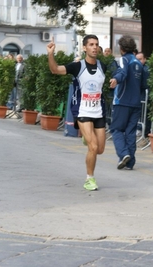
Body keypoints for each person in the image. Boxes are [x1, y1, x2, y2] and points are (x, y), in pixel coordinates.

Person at [47, 35, 108, 191]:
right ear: (85, 48)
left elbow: (119, 73)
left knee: (100, 149)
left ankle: (87, 140)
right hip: (82, 111)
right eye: (91, 44)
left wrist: (117, 79)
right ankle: (90, 179)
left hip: (98, 111)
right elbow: (55, 70)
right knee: (93, 147)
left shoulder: (103, 66)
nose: (95, 47)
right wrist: (50, 54)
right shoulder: (77, 66)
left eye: (97, 44)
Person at [109, 35, 145, 170]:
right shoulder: (138, 63)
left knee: (116, 129)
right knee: (130, 132)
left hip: (122, 101)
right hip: (136, 103)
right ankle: (130, 162)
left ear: (121, 48)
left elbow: (122, 72)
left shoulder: (124, 59)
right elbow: (144, 83)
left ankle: (123, 154)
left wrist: (116, 80)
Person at [135, 52, 151, 139]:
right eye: (137, 59)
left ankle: (144, 133)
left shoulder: (145, 70)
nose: (138, 61)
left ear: (145, 59)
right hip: (141, 95)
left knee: (144, 114)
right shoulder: (138, 69)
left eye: (140, 59)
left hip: (144, 96)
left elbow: (145, 84)